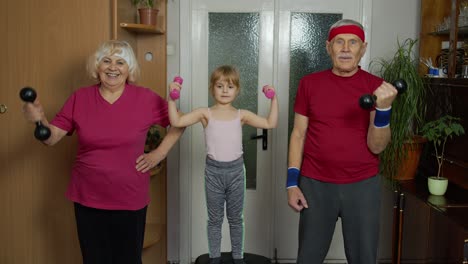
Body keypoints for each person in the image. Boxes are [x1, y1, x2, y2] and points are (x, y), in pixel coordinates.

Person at [22, 40, 184, 264]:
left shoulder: (145, 98)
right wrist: (39, 119)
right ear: (97, 66)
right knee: (94, 260)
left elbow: (180, 121)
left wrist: (159, 153)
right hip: (88, 197)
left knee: (127, 260)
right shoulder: (80, 98)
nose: (113, 67)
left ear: (130, 70)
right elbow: (51, 138)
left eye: (120, 62)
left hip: (130, 198)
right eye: (106, 61)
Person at [286, 19, 398, 264]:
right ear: (329, 47)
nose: (346, 48)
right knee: (308, 258)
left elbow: (377, 146)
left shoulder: (376, 87)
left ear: (363, 48)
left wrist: (383, 110)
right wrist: (292, 183)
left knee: (363, 259)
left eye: (353, 42)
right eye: (339, 41)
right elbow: (298, 134)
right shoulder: (309, 84)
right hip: (315, 184)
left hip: (362, 185)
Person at [168, 65, 278, 264]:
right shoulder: (205, 113)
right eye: (220, 86)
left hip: (236, 172)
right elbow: (176, 121)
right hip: (213, 172)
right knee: (215, 220)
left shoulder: (241, 115)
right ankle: (214, 258)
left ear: (237, 90)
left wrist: (274, 99)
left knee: (236, 219)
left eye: (230, 86)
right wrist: (172, 98)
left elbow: (270, 123)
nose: (225, 90)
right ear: (212, 89)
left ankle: (238, 257)